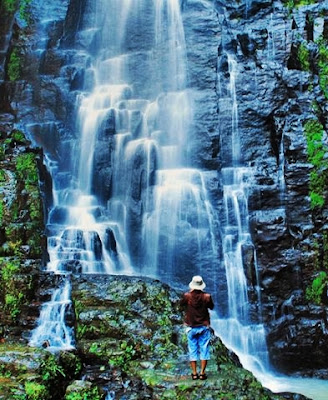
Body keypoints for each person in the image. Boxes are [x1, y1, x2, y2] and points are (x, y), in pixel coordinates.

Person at [180, 275, 214, 380]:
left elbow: (181, 305)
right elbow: (211, 307)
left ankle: (194, 374)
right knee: (204, 349)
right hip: (204, 326)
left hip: (191, 326)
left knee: (192, 349)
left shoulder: (187, 296)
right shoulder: (207, 297)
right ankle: (202, 373)